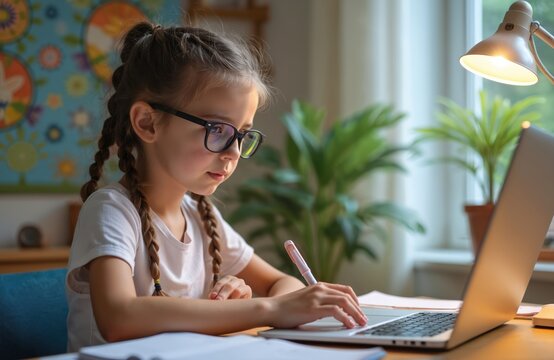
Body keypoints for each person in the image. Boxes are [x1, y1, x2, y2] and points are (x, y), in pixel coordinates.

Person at [66, 22, 367, 352]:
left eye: (242, 134)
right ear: (147, 123)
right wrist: (267, 309)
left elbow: (284, 284)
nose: (234, 152)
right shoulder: (111, 210)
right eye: (218, 130)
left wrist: (264, 301)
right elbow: (119, 318)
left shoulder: (200, 215)